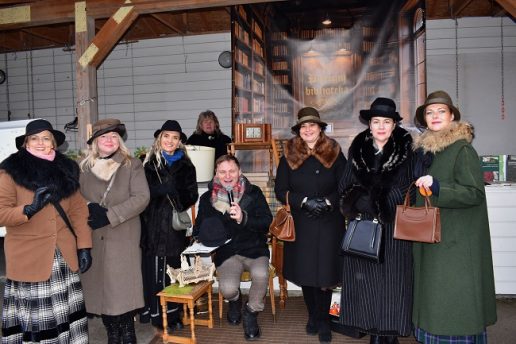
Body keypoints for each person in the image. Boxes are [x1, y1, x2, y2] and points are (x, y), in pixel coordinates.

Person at [412, 90, 497, 343]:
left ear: (451, 116)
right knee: (434, 300)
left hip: (455, 244)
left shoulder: (461, 150)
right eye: (429, 112)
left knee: (452, 305)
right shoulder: (427, 152)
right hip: (433, 238)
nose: (435, 116)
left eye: (441, 111)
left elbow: (474, 193)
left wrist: (439, 187)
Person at [0, 119, 92, 343]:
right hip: (29, 258)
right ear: (26, 143)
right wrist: (28, 209)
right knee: (40, 323)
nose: (40, 143)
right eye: (34, 138)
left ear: (53, 143)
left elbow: (79, 211)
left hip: (63, 256)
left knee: (67, 318)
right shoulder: (10, 171)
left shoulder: (66, 169)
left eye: (46, 138)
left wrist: (84, 246)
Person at [337, 98, 414, 344]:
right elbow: (344, 186)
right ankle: (373, 332)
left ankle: (389, 335)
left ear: (394, 125)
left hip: (394, 229)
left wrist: (384, 202)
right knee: (366, 285)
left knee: (392, 285)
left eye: (386, 122)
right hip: (365, 227)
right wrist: (362, 203)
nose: (381, 126)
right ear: (369, 125)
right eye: (376, 121)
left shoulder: (406, 152)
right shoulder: (357, 151)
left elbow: (408, 187)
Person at [274, 107, 346, 343]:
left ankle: (324, 320)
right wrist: (303, 201)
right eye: (303, 126)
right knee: (306, 272)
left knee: (325, 273)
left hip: (329, 221)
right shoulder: (288, 154)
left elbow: (345, 186)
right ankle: (313, 315)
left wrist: (327, 202)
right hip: (302, 221)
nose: (307, 129)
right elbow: (280, 189)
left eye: (312, 125)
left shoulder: (334, 151)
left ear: (320, 128)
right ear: (298, 130)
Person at [79, 118, 150, 344]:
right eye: (103, 137)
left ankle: (128, 331)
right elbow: (74, 198)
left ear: (119, 140)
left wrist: (109, 215)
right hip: (94, 236)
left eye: (113, 137)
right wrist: (88, 209)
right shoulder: (84, 166)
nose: (109, 141)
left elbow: (142, 198)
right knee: (101, 289)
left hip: (123, 234)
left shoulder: (131, 165)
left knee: (122, 287)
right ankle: (112, 332)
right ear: (95, 142)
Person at [193, 154, 272, 341]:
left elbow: (266, 222)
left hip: (254, 249)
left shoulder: (254, 193)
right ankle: (235, 302)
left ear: (239, 171)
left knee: (261, 275)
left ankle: (251, 312)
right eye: (222, 172)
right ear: (216, 174)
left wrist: (244, 218)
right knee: (227, 290)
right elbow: (198, 228)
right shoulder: (207, 198)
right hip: (228, 252)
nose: (227, 176)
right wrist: (208, 231)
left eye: (232, 171)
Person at [140, 120, 198, 329]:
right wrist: (158, 191)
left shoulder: (186, 165)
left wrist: (176, 193)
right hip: (152, 227)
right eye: (166, 136)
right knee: (154, 272)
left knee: (173, 272)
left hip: (174, 229)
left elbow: (192, 195)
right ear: (159, 138)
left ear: (179, 141)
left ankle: (174, 316)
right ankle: (156, 316)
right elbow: (139, 195)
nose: (170, 141)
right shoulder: (148, 163)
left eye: (175, 137)